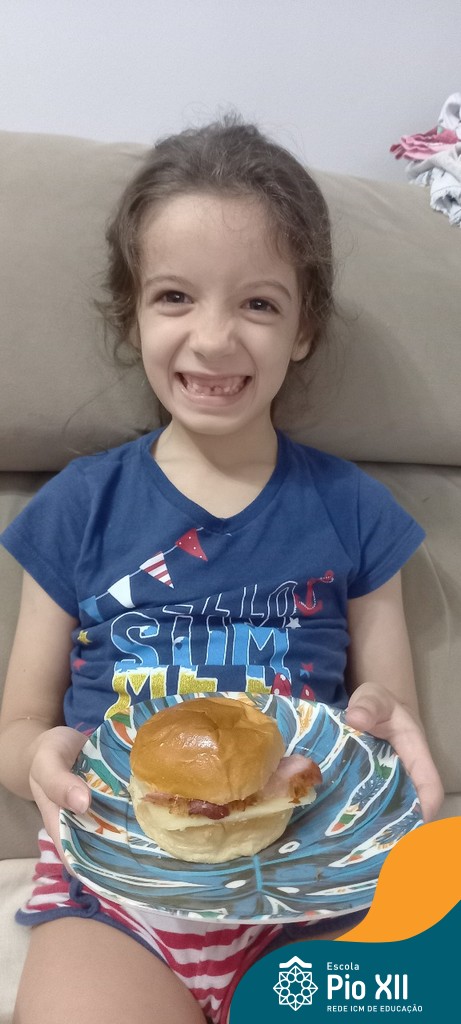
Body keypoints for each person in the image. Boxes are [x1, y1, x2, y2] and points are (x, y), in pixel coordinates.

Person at [0, 116, 443, 1024]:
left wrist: (384, 727)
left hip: (315, 877)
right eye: (174, 296)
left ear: (304, 327)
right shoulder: (79, 507)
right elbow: (19, 725)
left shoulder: (354, 509)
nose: (212, 338)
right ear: (132, 312)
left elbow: (382, 713)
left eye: (258, 304)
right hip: (115, 893)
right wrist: (36, 759)